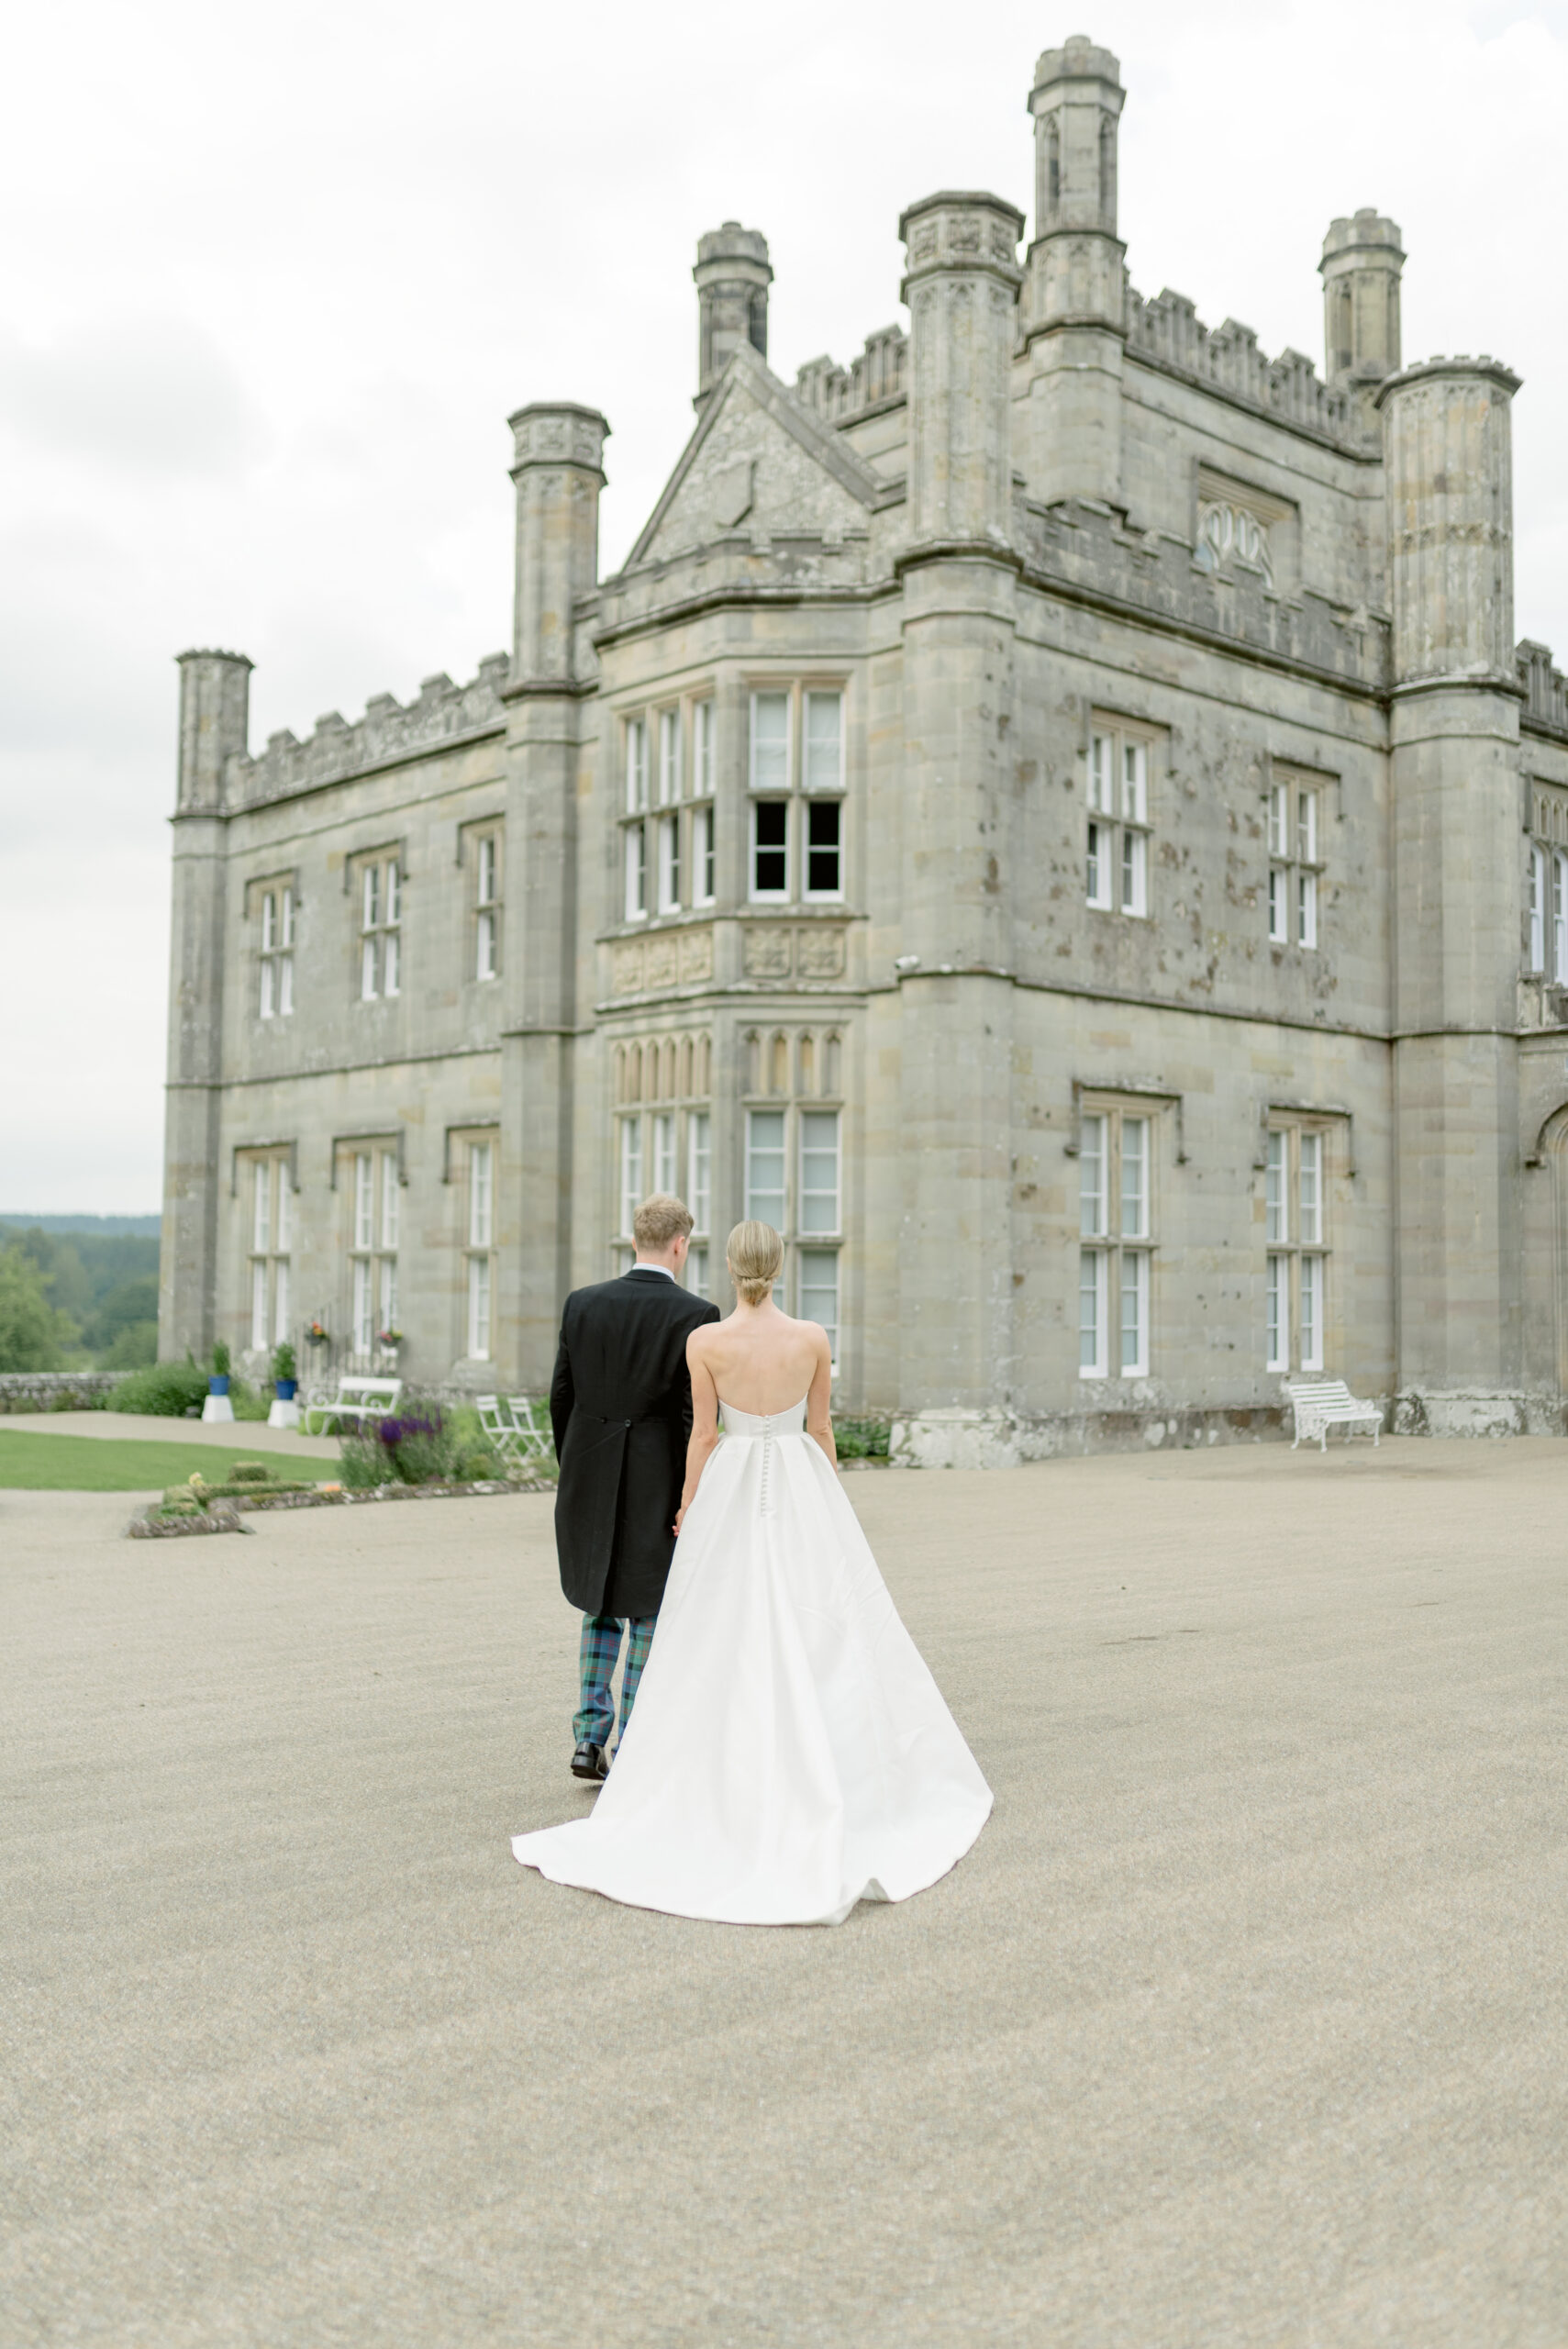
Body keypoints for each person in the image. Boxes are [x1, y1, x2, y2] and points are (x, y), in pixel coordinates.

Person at [513, 1220, 992, 1925]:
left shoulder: (704, 1341)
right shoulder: (812, 1338)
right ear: (778, 1267)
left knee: (712, 1620)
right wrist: (826, 1496)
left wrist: (685, 1505)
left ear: (730, 1270)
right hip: (797, 1477)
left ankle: (636, 1740)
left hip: (733, 1477)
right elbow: (821, 1430)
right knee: (818, 1615)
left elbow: (703, 1434)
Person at [548, 1192, 720, 1782]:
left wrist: (574, 1467)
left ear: (633, 1241)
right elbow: (693, 1418)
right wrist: (691, 1494)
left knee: (599, 1607)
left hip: (588, 1474)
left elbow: (561, 1399)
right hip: (657, 1481)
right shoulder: (697, 1315)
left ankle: (586, 1737)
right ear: (681, 1244)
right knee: (647, 1612)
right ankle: (631, 1743)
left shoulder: (582, 1304)